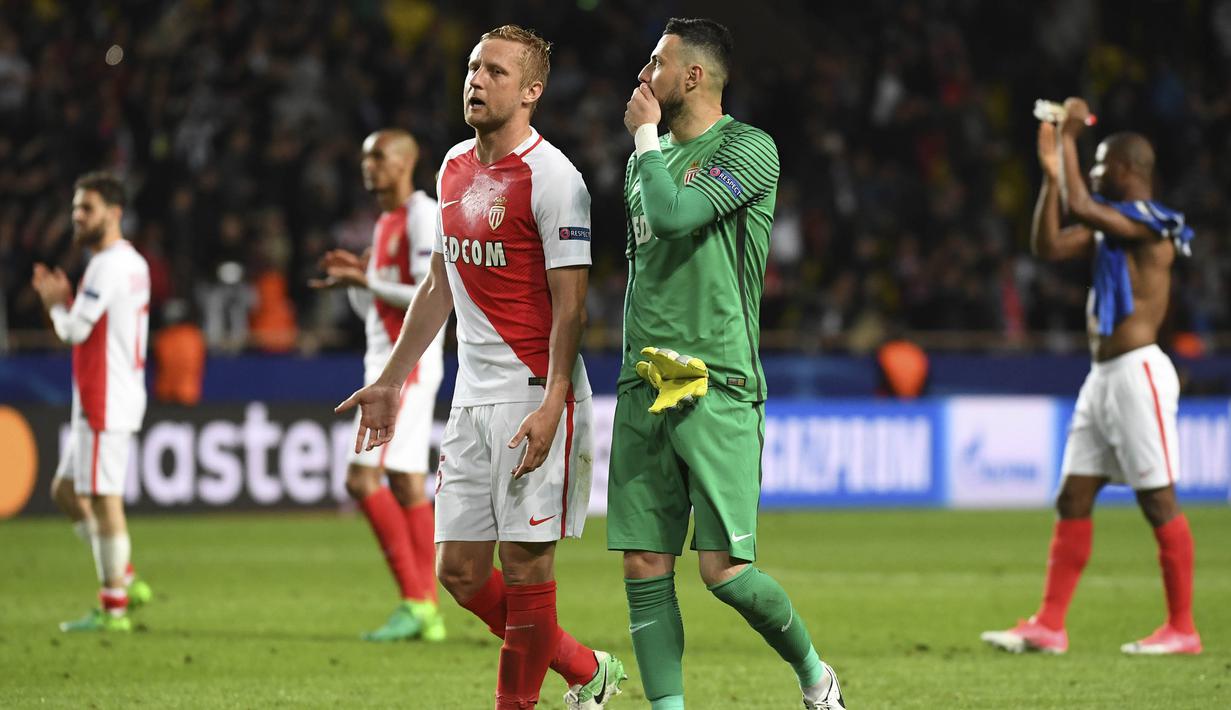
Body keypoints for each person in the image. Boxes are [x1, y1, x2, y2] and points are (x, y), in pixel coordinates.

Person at [336, 25, 626, 709]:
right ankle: (586, 669)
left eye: (496, 71)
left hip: (532, 394)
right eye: (472, 68)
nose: (476, 80)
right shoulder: (452, 167)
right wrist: (392, 380)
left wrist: (554, 402)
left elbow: (572, 308)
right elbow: (439, 282)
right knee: (460, 573)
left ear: (532, 91)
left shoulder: (556, 180)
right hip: (469, 398)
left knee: (526, 572)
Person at [611, 18, 844, 710]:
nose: (642, 73)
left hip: (716, 381)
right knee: (643, 563)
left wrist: (643, 140)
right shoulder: (639, 162)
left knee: (724, 572)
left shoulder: (747, 148)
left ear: (691, 76)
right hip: (643, 380)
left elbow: (677, 215)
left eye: (656, 61)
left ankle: (813, 673)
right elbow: (644, 266)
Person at [981, 97, 1201, 656]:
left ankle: (1182, 628)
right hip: (1102, 377)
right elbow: (1048, 243)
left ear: (1128, 169)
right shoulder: (1111, 229)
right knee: (1073, 496)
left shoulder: (1150, 226)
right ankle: (1049, 624)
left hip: (1138, 373)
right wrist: (1053, 178)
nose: (1097, 172)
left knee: (1158, 501)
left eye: (1103, 163)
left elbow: (1082, 201)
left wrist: (1070, 139)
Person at [310, 129, 446, 642]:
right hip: (386, 362)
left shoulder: (418, 213)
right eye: (365, 156)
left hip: (402, 368)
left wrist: (367, 281)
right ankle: (426, 607)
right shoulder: (386, 222)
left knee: (360, 479)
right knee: (407, 482)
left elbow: (427, 290)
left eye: (380, 156)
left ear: (407, 162)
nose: (370, 165)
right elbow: (377, 306)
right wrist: (357, 283)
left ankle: (416, 600)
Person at [31, 171, 152, 632]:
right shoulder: (132, 261)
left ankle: (114, 607)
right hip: (108, 393)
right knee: (65, 491)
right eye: (75, 208)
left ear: (114, 213)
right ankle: (123, 577)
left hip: (105, 396)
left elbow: (74, 330)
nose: (77, 217)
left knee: (104, 499)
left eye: (87, 208)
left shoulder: (106, 266)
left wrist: (55, 303)